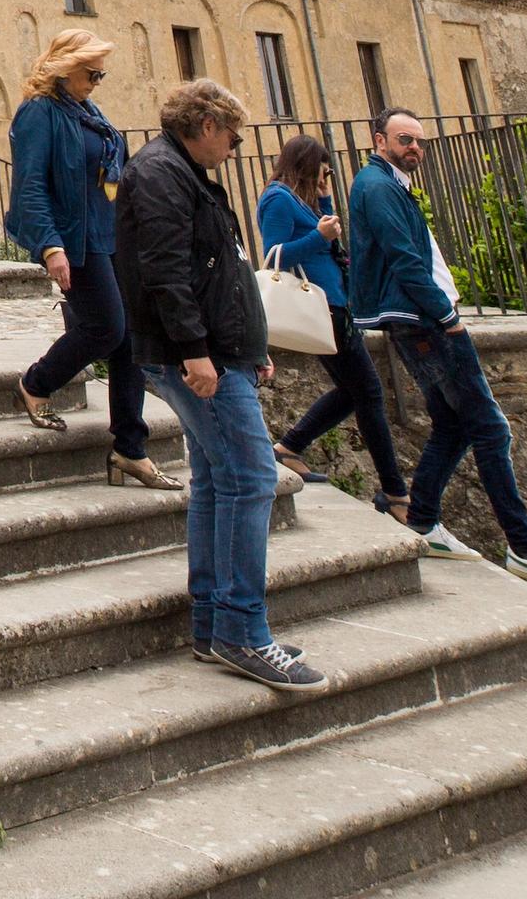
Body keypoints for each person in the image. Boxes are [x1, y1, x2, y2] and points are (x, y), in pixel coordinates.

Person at [342, 108, 527, 593]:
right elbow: (404, 257)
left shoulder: (389, 184)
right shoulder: (377, 187)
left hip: (416, 317)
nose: (414, 147)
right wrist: (446, 314)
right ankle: (526, 547)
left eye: (419, 140)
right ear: (380, 140)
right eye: (404, 139)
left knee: (454, 423)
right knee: (490, 426)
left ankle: (421, 518)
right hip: (423, 320)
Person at [121, 77, 324, 690]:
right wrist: (196, 353)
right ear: (205, 124)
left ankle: (215, 624)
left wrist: (248, 347)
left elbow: (223, 268)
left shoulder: (184, 174)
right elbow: (165, 272)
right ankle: (242, 630)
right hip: (192, 354)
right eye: (233, 136)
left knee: (216, 478)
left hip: (216, 350)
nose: (237, 147)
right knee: (253, 475)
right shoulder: (161, 174)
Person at [3, 26, 173, 489]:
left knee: (130, 341)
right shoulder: (39, 113)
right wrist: (50, 246)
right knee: (106, 327)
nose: (98, 81)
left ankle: (129, 448)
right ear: (67, 67)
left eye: (101, 75)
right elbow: (31, 184)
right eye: (92, 73)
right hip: (75, 239)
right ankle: (36, 383)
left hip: (110, 234)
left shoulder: (87, 112)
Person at [256, 134, 409, 522]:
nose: (326, 177)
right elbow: (275, 255)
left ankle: (291, 447)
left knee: (354, 391)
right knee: (368, 393)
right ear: (307, 164)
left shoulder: (302, 200)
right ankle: (395, 493)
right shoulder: (277, 198)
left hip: (336, 309)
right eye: (323, 171)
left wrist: (323, 203)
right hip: (324, 311)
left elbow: (325, 241)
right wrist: (318, 236)